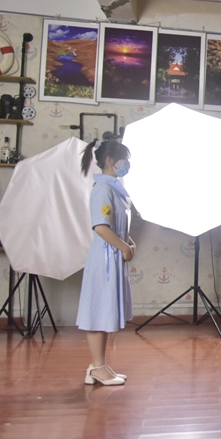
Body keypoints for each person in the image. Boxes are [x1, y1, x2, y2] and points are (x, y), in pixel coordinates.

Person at [77, 139, 135, 386]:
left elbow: (117, 225)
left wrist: (129, 242)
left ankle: (98, 365)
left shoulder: (115, 189)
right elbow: (101, 227)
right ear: (110, 161)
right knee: (97, 312)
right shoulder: (103, 189)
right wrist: (123, 247)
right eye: (125, 160)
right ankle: (98, 367)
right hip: (104, 259)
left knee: (104, 312)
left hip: (113, 256)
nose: (127, 165)